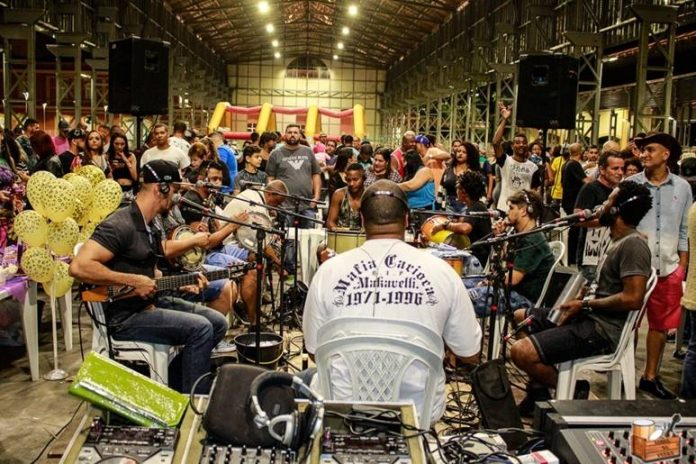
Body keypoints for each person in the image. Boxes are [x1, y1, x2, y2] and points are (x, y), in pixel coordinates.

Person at [302, 179, 481, 425]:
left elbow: (314, 349)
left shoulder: (328, 272)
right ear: (407, 220)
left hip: (343, 405)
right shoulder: (443, 272)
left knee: (305, 378)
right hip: (417, 412)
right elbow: (469, 352)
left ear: (362, 220)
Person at [69, 160, 228, 393]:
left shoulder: (149, 225)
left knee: (218, 323)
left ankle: (176, 385)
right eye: (174, 190)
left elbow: (150, 272)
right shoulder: (120, 224)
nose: (175, 197)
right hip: (125, 316)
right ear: (160, 189)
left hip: (150, 303)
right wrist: (133, 281)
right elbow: (79, 266)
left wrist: (180, 284)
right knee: (201, 328)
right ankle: (193, 400)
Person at [510, 180, 652, 414]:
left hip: (601, 330)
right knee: (521, 317)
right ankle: (538, 392)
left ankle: (574, 389)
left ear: (617, 210)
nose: (602, 205)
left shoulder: (634, 246)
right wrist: (584, 294)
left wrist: (585, 304)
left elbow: (633, 298)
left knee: (520, 352)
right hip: (588, 316)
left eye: (608, 201)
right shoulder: (616, 240)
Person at [630, 133, 691, 400]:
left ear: (666, 155)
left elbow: (684, 229)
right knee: (630, 323)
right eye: (642, 150)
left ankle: (650, 376)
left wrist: (681, 267)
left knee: (660, 326)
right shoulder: (631, 184)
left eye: (650, 150)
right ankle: (625, 372)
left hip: (668, 268)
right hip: (635, 268)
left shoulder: (682, 188)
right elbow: (619, 224)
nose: (644, 154)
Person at [464, 190, 554, 318]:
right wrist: (500, 236)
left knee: (466, 298)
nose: (507, 212)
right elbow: (504, 259)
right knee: (460, 284)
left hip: (524, 298)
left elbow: (512, 279)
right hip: (511, 290)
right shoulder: (520, 234)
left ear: (524, 211)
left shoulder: (533, 240)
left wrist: (486, 283)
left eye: (511, 208)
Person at [574, 151, 625, 281]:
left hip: (613, 254)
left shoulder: (621, 191)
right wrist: (606, 221)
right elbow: (576, 219)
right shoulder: (590, 188)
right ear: (602, 169)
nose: (620, 172)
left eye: (622, 168)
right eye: (615, 168)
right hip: (592, 257)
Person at [429, 171, 492, 269]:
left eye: (457, 188)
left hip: (478, 260)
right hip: (476, 257)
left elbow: (465, 228)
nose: (456, 190)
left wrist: (444, 226)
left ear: (463, 191)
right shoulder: (476, 206)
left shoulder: (476, 207)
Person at [266, 124, 322, 228]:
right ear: (285, 135)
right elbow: (270, 178)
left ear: (300, 135)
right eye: (290, 132)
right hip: (284, 206)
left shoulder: (308, 151)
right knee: (286, 236)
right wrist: (272, 202)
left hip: (307, 205)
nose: (292, 135)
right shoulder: (275, 154)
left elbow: (316, 174)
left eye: (295, 132)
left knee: (309, 236)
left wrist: (317, 197)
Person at [492, 104, 540, 211]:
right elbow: (495, 143)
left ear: (527, 145)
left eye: (524, 142)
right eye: (517, 142)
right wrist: (504, 119)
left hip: (523, 212)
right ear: (512, 146)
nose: (521, 145)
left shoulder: (534, 167)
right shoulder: (505, 161)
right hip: (505, 209)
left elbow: (534, 191)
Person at [441, 142, 482, 212]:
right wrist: (440, 205)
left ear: (470, 155)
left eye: (464, 152)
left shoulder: (474, 172)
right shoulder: (448, 169)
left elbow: (479, 192)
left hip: (467, 206)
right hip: (449, 205)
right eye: (458, 151)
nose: (460, 153)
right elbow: (442, 187)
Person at [326, 163, 364, 230]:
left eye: (355, 180)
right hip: (341, 234)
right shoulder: (339, 194)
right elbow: (330, 222)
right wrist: (338, 230)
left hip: (364, 235)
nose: (351, 183)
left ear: (363, 178)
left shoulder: (369, 195)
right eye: (349, 180)